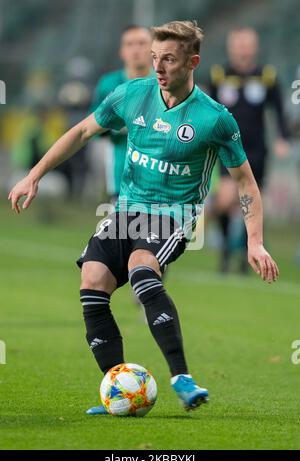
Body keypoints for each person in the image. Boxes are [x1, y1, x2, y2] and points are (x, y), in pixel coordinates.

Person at [8, 20, 279, 415]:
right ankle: (116, 385)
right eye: (155, 58)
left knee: (141, 270)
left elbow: (246, 183)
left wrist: (254, 240)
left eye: (169, 59)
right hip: (125, 210)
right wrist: (34, 175)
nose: (158, 67)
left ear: (192, 62)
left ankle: (182, 378)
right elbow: (83, 132)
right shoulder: (133, 95)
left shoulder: (215, 118)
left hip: (172, 215)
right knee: (92, 280)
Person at [209, 28, 289, 273]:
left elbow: (278, 109)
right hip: (227, 148)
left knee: (251, 202)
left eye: (247, 45)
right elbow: (207, 110)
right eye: (238, 45)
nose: (243, 49)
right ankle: (224, 248)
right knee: (224, 200)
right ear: (231, 48)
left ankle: (246, 255)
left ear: (254, 48)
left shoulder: (266, 75)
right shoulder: (219, 74)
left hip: (256, 150)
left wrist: (282, 137)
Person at [90, 25, 153, 203]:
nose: (136, 49)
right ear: (122, 51)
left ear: (152, 49)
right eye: (130, 44)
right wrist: (117, 126)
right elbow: (92, 127)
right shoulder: (109, 84)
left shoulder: (165, 83)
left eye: (142, 43)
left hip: (159, 177)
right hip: (120, 172)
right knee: (121, 228)